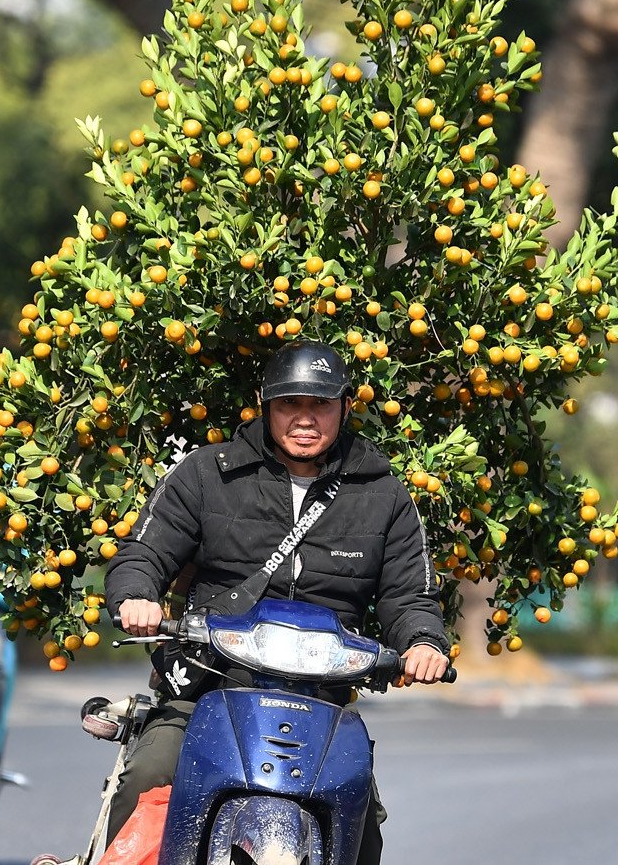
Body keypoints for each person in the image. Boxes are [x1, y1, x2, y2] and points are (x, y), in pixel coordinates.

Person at [101, 341, 450, 863]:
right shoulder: (206, 473)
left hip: (323, 705)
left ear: (346, 407)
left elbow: (409, 595)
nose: (305, 420)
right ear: (265, 404)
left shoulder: (385, 495)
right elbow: (144, 553)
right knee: (149, 778)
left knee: (361, 829)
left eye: (320, 406)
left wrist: (423, 642)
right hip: (208, 688)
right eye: (290, 405)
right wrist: (136, 595)